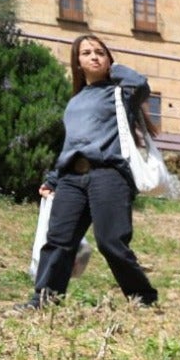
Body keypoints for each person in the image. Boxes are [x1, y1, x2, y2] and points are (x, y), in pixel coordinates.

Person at [25, 34, 158, 309]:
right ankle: (45, 300)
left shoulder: (120, 92)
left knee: (110, 242)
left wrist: (115, 68)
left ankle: (143, 298)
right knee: (58, 240)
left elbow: (142, 85)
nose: (94, 57)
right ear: (77, 62)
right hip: (72, 178)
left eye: (100, 52)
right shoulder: (75, 101)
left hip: (109, 174)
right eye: (86, 53)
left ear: (108, 58)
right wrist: (54, 179)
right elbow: (71, 143)